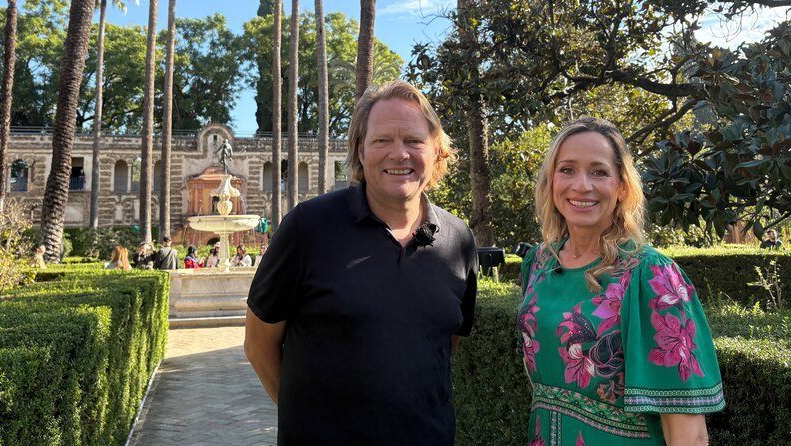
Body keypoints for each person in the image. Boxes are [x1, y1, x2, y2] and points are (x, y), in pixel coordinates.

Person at [244, 80, 478, 445]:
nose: (399, 154)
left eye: (413, 140)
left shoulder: (459, 240)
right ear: (359, 150)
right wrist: (307, 418)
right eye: (382, 140)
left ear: (436, 151)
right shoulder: (308, 228)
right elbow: (259, 343)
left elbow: (444, 343)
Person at [518, 117, 724, 445]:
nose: (581, 185)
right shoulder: (538, 264)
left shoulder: (652, 277)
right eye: (567, 169)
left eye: (599, 171)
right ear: (551, 181)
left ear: (622, 187)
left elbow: (689, 433)